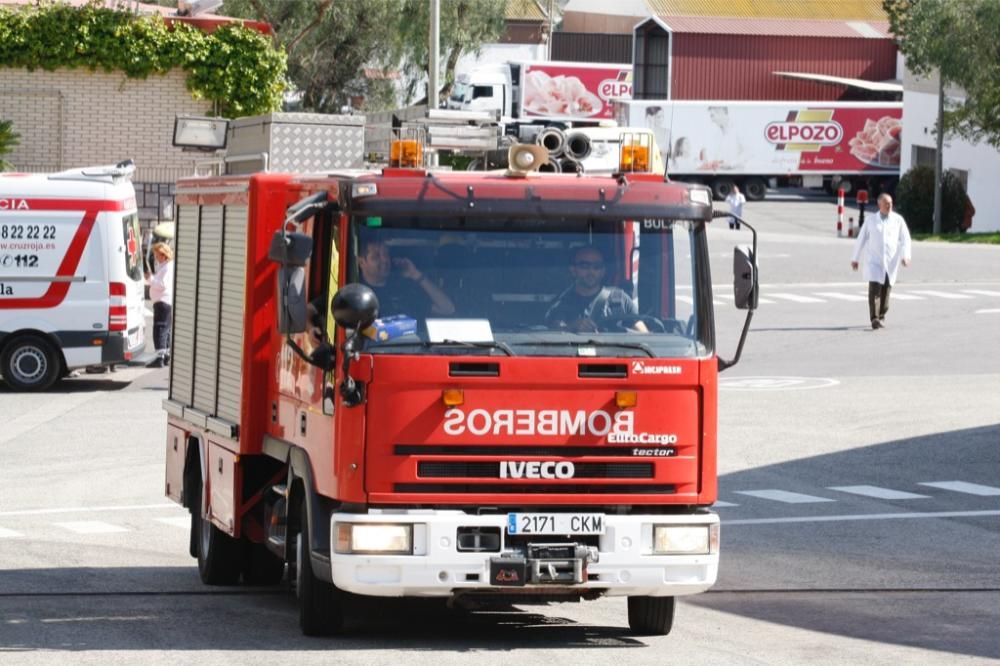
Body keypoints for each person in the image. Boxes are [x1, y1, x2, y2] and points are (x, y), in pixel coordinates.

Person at [545, 246, 644, 333]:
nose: (591, 271)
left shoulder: (620, 299)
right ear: (573, 270)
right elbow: (549, 335)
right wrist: (571, 327)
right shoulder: (560, 303)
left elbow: (644, 335)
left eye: (597, 266)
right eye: (584, 266)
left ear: (603, 271)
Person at [850, 193, 912, 330]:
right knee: (874, 290)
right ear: (879, 205)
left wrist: (905, 256)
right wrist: (855, 258)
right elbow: (860, 239)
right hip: (874, 261)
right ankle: (874, 318)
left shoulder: (898, 220)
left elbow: (905, 239)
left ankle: (882, 314)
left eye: (890, 203)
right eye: (886, 203)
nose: (889, 205)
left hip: (890, 262)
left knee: (886, 292)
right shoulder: (871, 220)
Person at [357, 238, 455, 318]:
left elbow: (447, 309)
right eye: (376, 257)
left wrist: (416, 274)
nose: (384, 260)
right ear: (361, 262)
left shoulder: (404, 290)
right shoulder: (358, 295)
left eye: (386, 254)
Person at [146, 242, 174, 367]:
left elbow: (162, 284)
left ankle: (160, 357)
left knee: (160, 329)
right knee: (165, 329)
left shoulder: (167, 267)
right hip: (164, 301)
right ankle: (166, 355)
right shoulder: (165, 266)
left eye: (157, 255)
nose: (156, 257)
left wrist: (151, 279)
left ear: (163, 255)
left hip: (163, 301)